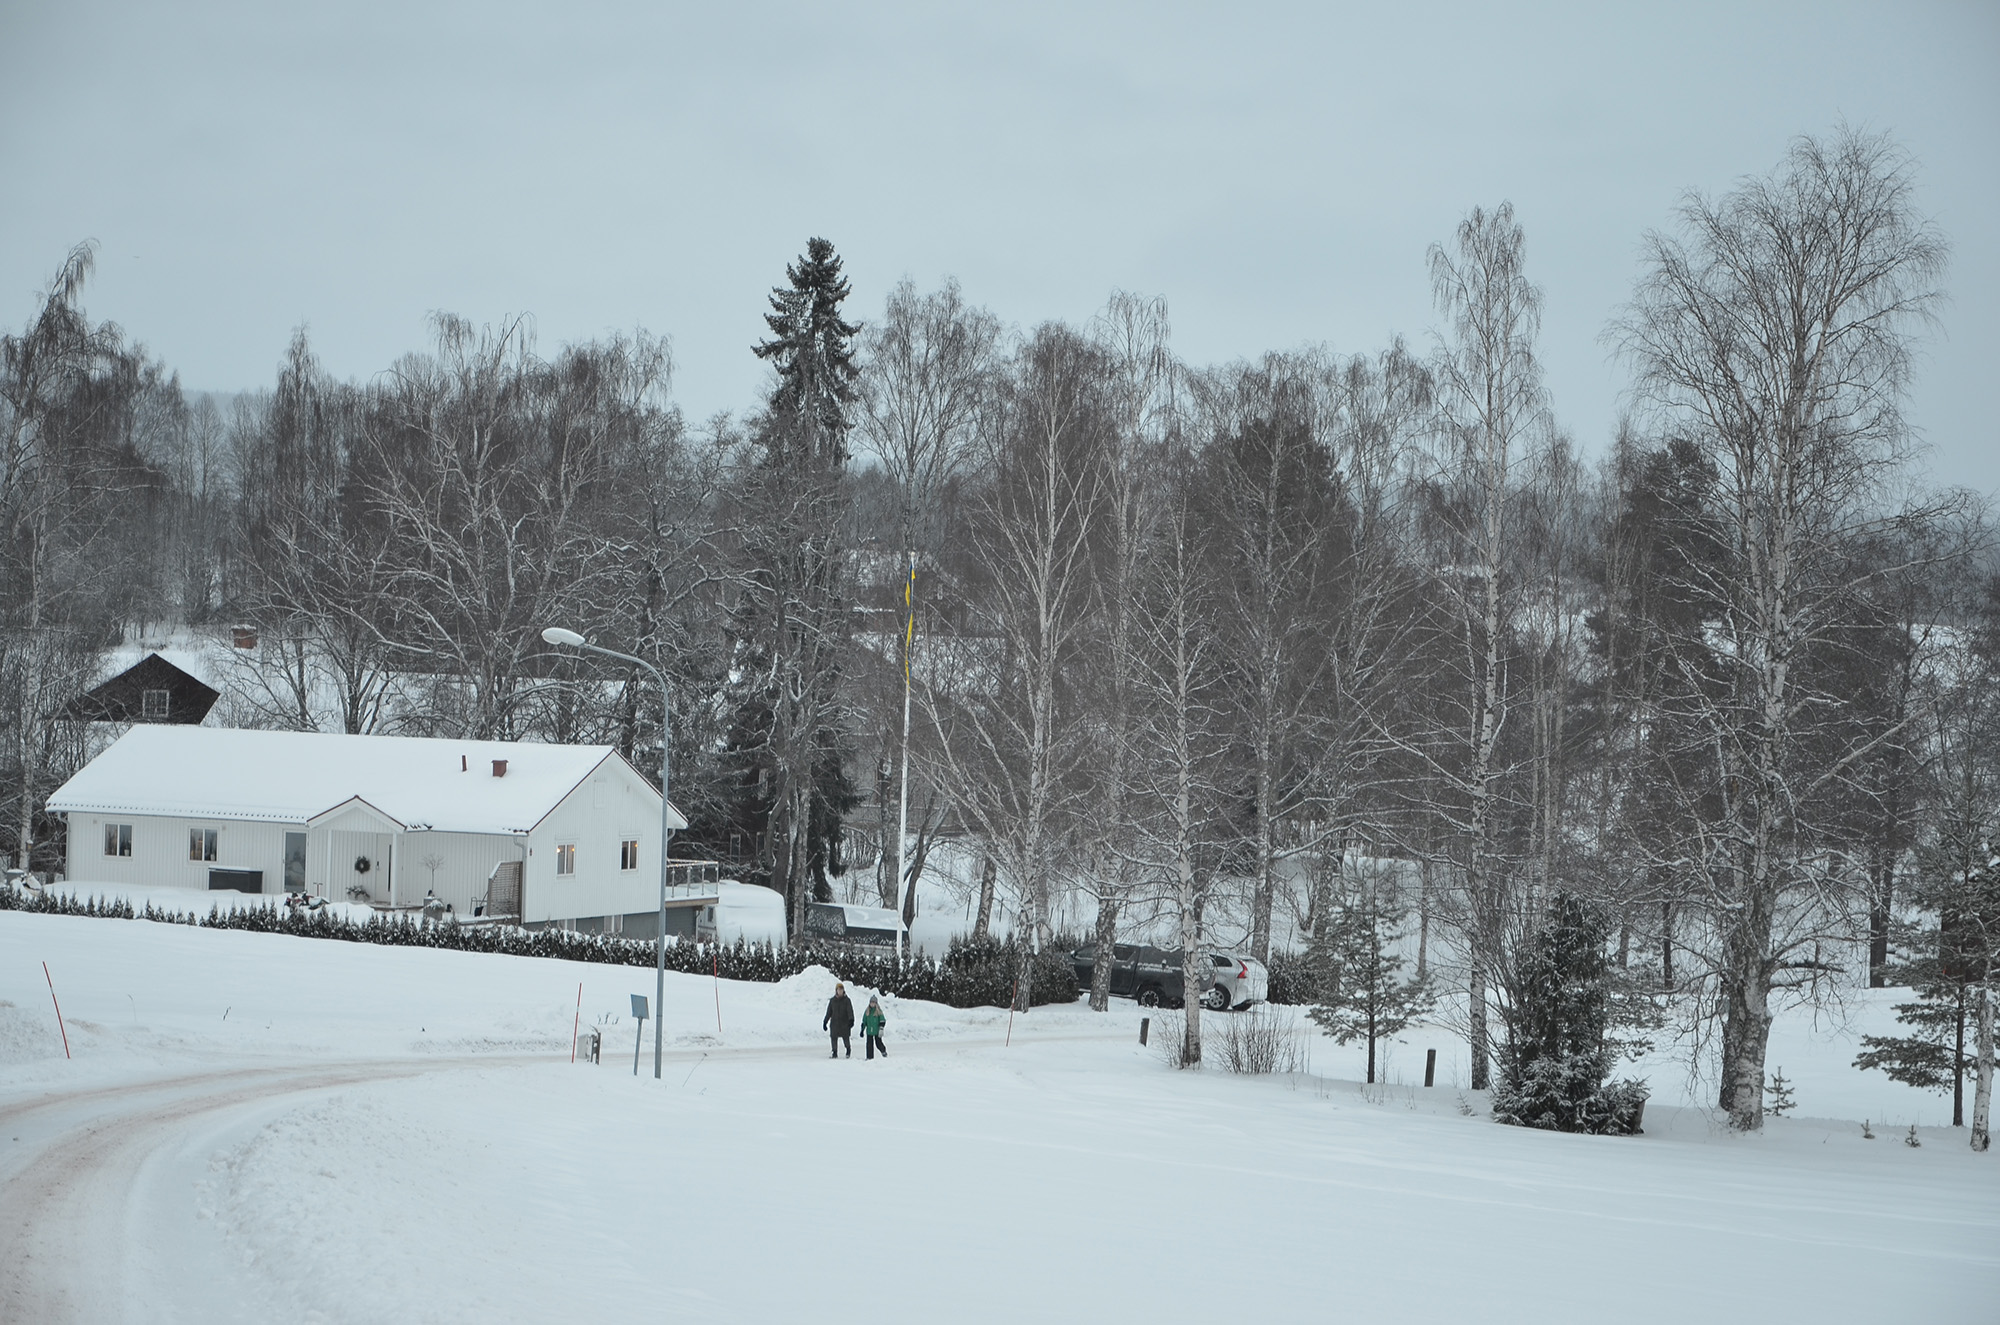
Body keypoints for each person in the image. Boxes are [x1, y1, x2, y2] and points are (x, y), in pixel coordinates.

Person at [823, 982, 855, 1058]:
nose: (840, 991)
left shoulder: (847, 1000)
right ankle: (834, 1052)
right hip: (834, 1023)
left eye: (841, 989)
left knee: (846, 1038)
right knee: (833, 1038)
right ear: (836, 991)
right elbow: (829, 1012)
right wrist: (825, 1022)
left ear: (843, 991)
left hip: (844, 1023)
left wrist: (851, 1020)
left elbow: (850, 1011)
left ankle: (848, 1049)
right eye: (838, 990)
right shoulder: (832, 1001)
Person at [861, 995, 888, 1060]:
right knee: (869, 1045)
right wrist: (862, 1030)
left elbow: (882, 1020)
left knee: (878, 1043)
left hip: (877, 1031)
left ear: (876, 1003)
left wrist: (881, 1028)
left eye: (874, 1002)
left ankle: (883, 1051)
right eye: (871, 1002)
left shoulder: (879, 1011)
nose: (872, 1004)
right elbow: (864, 1021)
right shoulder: (867, 1011)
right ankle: (869, 1057)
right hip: (869, 1031)